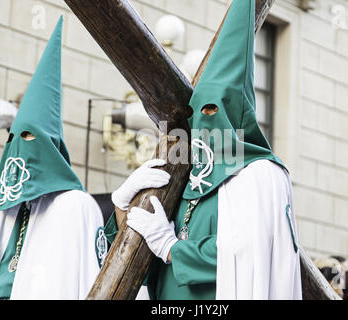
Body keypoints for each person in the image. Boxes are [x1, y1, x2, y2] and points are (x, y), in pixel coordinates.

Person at [101, 0, 302, 300]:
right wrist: (121, 204)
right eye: (200, 112)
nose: (207, 122)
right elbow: (140, 259)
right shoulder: (185, 173)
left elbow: (247, 252)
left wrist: (172, 248)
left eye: (216, 109)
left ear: (240, 115)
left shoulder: (261, 174)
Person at [0, 17, 103, 300]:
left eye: (29, 137)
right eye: (12, 139)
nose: (18, 148)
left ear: (51, 147)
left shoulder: (75, 207)